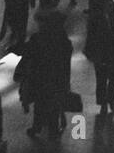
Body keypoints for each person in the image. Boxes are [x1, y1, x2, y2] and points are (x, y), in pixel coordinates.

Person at [19, 10, 74, 138]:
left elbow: (28, 54)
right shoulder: (62, 39)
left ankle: (38, 127)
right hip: (56, 78)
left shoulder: (38, 38)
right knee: (53, 104)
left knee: (40, 104)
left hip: (40, 77)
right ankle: (52, 129)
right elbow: (65, 62)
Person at [84, 0, 114, 115]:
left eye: (112, 6)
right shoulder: (96, 21)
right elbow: (90, 38)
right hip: (101, 56)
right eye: (108, 6)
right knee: (101, 80)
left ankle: (110, 97)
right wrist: (89, 53)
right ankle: (104, 102)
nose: (110, 9)